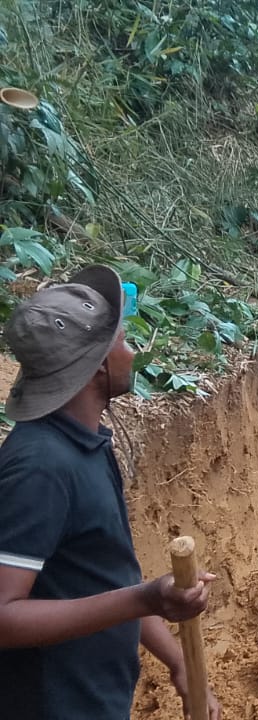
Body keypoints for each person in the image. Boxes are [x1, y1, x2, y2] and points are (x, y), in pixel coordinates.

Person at [0, 265, 220, 719]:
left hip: (95, 696)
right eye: (122, 340)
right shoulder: (41, 468)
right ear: (100, 364)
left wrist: (178, 661)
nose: (132, 350)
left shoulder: (84, 444)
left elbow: (103, 576)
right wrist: (146, 598)